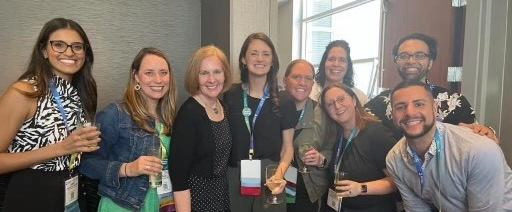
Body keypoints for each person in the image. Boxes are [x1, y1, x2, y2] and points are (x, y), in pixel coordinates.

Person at [0, 17, 101, 212]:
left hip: (72, 193)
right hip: (32, 195)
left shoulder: (81, 92)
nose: (69, 52)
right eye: (59, 45)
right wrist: (61, 148)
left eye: (77, 47)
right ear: (44, 50)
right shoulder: (24, 91)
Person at [386, 79, 512, 211]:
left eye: (419, 104)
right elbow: (417, 209)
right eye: (400, 107)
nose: (410, 112)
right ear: (392, 114)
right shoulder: (395, 159)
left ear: (434, 109)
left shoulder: (477, 150)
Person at [79, 47, 178, 211]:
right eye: (149, 73)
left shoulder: (170, 117)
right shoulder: (116, 114)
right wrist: (127, 169)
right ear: (136, 77)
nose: (158, 79)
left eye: (163, 72)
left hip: (162, 204)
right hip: (123, 205)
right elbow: (87, 163)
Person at [364, 33, 497, 141]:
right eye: (403, 56)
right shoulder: (378, 104)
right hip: (393, 171)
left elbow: (474, 140)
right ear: (396, 62)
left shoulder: (454, 103)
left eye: (419, 55)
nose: (411, 61)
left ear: (430, 62)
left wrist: (488, 131)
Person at [223, 32, 296, 212]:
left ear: (272, 61)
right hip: (236, 172)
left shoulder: (285, 99)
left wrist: (279, 174)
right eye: (253, 53)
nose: (260, 59)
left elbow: (288, 147)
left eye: (266, 54)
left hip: (272, 174)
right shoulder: (230, 94)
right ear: (243, 59)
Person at [170, 45, 233, 212]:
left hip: (220, 196)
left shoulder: (223, 106)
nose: (212, 80)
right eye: (204, 73)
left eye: (217, 72)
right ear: (195, 77)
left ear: (225, 74)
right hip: (196, 200)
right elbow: (178, 174)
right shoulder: (189, 113)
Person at [320, 82, 398, 212]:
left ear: (354, 100)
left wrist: (361, 188)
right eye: (330, 104)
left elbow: (397, 181)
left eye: (341, 99)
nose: (337, 106)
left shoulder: (377, 134)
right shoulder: (336, 134)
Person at [279, 59, 331, 212]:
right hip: (274, 188)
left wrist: (321, 159)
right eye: (296, 77)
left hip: (308, 193)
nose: (303, 83)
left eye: (308, 78)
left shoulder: (323, 114)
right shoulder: (270, 109)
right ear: (284, 80)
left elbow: (334, 149)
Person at [310, 40, 368, 105]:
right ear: (324, 63)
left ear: (348, 66)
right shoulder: (310, 92)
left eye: (342, 60)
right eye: (331, 59)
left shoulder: (360, 98)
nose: (336, 64)